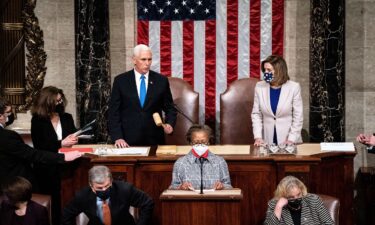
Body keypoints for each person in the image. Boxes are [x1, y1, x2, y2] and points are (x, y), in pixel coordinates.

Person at [0, 97, 82, 187]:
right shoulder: (6, 136)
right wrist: (63, 157)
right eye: (8, 112)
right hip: (14, 185)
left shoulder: (66, 117)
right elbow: (32, 154)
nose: (11, 114)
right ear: (0, 116)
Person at [108, 44, 177, 147]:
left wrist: (170, 124)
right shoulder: (121, 81)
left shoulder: (161, 80)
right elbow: (113, 112)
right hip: (126, 141)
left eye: (149, 59)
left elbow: (170, 108)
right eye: (143, 59)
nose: (147, 63)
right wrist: (118, 137)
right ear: (134, 60)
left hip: (154, 140)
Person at [30, 86, 78, 225]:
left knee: (69, 199)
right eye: (56, 101)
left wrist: (74, 138)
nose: (59, 103)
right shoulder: (37, 120)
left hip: (67, 165)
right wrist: (61, 143)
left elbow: (72, 134)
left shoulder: (66, 117)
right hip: (46, 168)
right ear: (47, 102)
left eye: (60, 100)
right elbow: (40, 146)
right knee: (54, 203)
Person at [62, 165, 154, 225]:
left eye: (107, 186)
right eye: (99, 188)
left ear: (111, 181)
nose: (104, 190)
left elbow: (147, 202)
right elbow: (65, 215)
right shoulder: (83, 196)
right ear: (91, 185)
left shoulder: (125, 190)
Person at [252, 55, 303, 146]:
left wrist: (291, 139)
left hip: (289, 140)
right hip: (266, 140)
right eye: (265, 70)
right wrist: (258, 137)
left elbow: (298, 117)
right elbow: (256, 114)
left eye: (269, 70)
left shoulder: (294, 87)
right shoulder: (259, 86)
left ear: (279, 71)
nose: (265, 73)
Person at [169, 124, 232, 190]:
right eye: (196, 142)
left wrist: (222, 186)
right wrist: (180, 187)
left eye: (204, 142)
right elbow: (172, 187)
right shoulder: (180, 163)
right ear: (190, 142)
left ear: (209, 142)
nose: (200, 145)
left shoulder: (220, 162)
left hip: (214, 199)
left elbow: (229, 186)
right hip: (190, 200)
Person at [264, 176, 334, 225]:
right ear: (283, 196)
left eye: (298, 194)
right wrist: (278, 207)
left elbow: (329, 223)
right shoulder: (275, 204)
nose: (296, 198)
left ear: (302, 190)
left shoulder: (313, 200)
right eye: (291, 197)